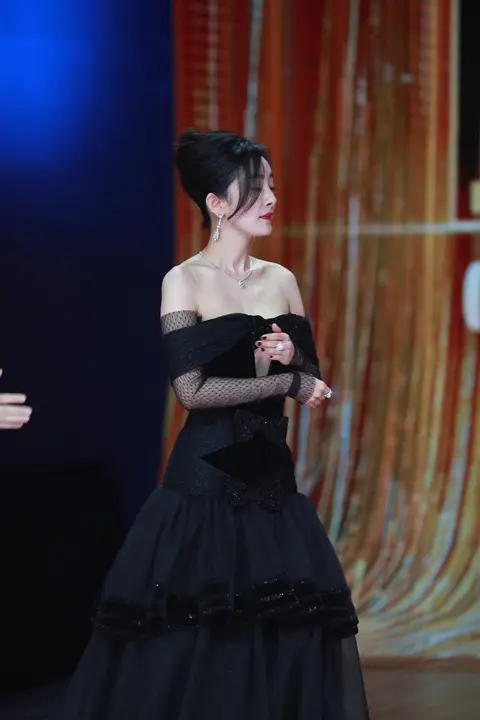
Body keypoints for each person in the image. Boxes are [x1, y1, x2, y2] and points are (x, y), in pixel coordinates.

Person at [57, 130, 369, 719]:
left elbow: (310, 376)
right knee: (202, 646)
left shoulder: (282, 280)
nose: (271, 197)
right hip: (204, 488)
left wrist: (291, 359)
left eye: (271, 184)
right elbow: (192, 392)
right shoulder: (184, 280)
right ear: (217, 203)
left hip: (273, 489)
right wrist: (286, 382)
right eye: (256, 187)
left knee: (285, 641)